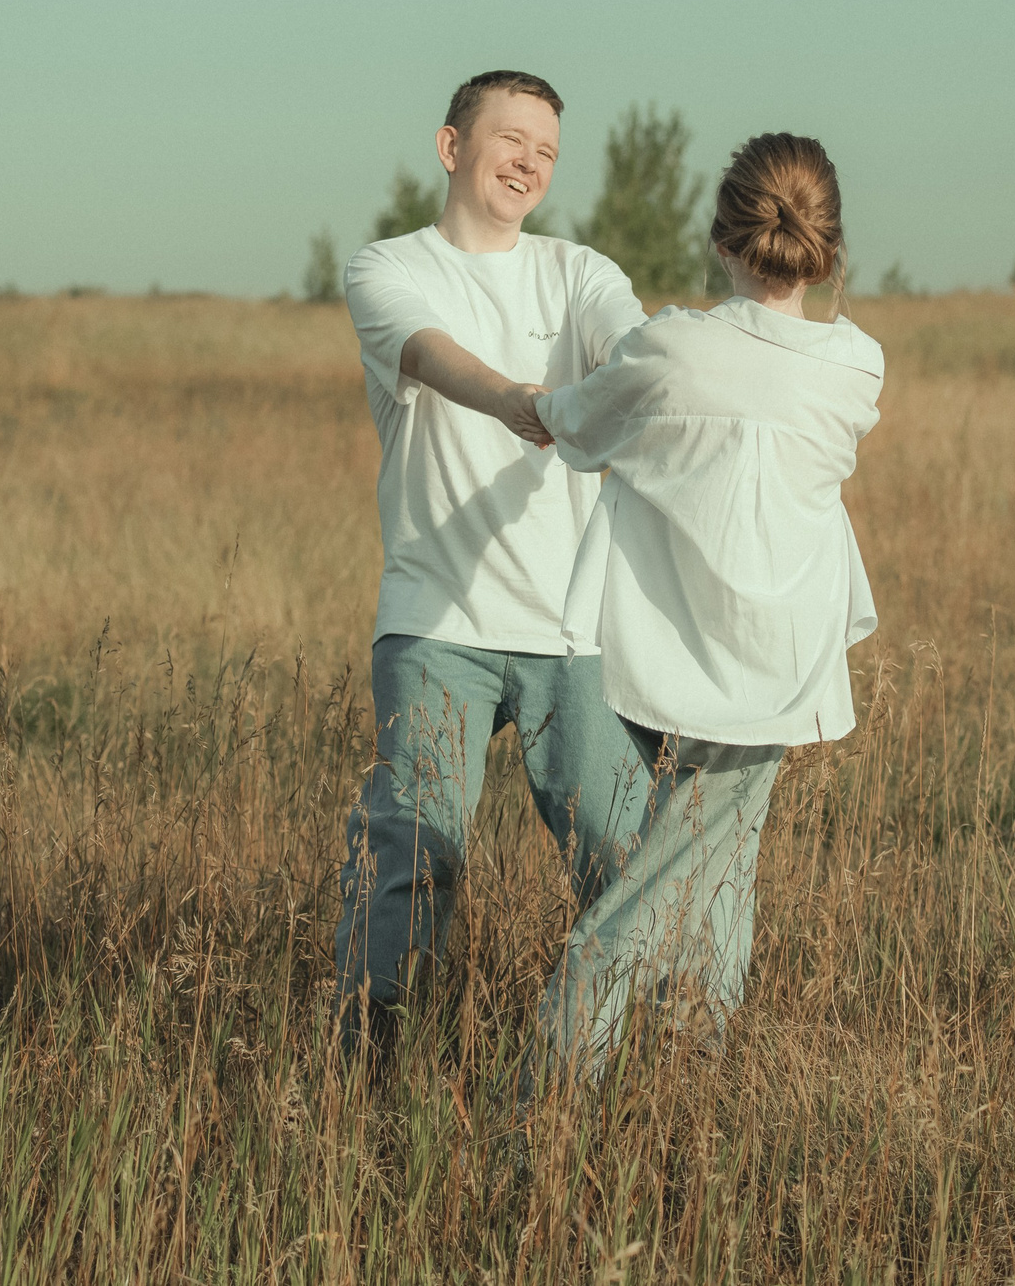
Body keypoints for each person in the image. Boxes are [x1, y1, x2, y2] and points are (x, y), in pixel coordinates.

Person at [518, 132, 883, 1081]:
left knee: (677, 874)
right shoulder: (856, 366)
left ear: (722, 239)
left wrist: (534, 402)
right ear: (827, 250)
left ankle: (565, 1090)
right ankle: (666, 1072)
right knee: (707, 860)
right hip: (781, 661)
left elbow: (580, 428)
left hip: (662, 645)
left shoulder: (671, 345)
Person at [332, 70, 654, 1060]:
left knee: (623, 854)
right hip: (436, 621)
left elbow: (631, 349)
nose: (528, 163)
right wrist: (516, 399)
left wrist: (635, 377)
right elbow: (429, 355)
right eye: (510, 139)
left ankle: (626, 1056)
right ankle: (370, 1061)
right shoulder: (388, 268)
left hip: (571, 626)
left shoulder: (579, 272)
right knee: (413, 854)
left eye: (546, 151)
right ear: (451, 147)